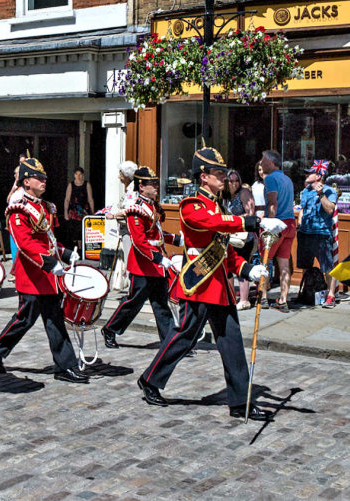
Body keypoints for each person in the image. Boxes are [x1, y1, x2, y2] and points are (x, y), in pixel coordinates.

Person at [136, 147, 284, 422]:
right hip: (200, 283)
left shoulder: (219, 206)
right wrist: (256, 222)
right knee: (185, 336)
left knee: (231, 343)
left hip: (219, 287)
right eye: (218, 173)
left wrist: (248, 269)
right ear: (204, 177)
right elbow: (214, 223)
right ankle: (150, 379)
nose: (223, 178)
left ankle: (241, 401)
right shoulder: (192, 205)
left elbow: (225, 251)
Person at [0, 156, 88, 383]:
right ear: (25, 182)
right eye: (38, 178)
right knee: (25, 318)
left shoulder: (46, 206)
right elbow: (25, 244)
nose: (44, 181)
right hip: (32, 274)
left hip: (50, 275)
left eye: (44, 178)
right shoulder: (18, 209)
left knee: (55, 319)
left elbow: (49, 240)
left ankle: (65, 366)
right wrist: (50, 263)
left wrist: (65, 253)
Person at [101, 167, 182, 349]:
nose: (155, 186)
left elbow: (156, 234)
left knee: (161, 304)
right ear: (141, 186)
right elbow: (139, 241)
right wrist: (158, 259)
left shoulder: (152, 205)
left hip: (155, 264)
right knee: (133, 303)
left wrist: (176, 239)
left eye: (155, 182)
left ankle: (169, 341)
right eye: (152, 183)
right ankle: (110, 329)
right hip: (142, 266)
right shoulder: (135, 208)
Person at [297, 160, 339, 308]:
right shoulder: (306, 191)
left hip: (321, 234)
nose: (306, 175)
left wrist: (321, 194)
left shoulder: (329, 191)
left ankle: (331, 295)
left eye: (310, 173)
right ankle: (306, 292)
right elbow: (303, 208)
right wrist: (300, 222)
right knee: (305, 266)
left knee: (327, 267)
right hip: (305, 233)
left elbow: (330, 210)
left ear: (319, 176)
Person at [259, 150, 296, 312]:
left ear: (272, 163)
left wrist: (270, 225)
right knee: (284, 264)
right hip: (290, 223)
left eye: (263, 160)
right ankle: (283, 299)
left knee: (265, 262)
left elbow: (272, 203)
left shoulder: (271, 179)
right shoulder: (287, 179)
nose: (261, 163)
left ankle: (264, 297)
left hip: (277, 223)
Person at [223, 169, 257, 310]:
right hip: (231, 235)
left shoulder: (243, 193)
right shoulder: (224, 195)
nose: (235, 183)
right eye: (231, 181)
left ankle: (244, 300)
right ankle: (231, 297)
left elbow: (250, 213)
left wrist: (233, 220)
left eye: (237, 180)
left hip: (244, 236)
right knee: (228, 267)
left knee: (242, 266)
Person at [106, 161, 139, 291]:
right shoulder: (129, 188)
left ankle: (133, 289)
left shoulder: (132, 189)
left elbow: (129, 210)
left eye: (120, 173)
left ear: (126, 175)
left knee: (130, 260)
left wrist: (114, 215)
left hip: (129, 230)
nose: (118, 177)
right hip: (126, 229)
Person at [63, 167, 94, 249]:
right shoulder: (71, 185)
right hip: (73, 213)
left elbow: (90, 199)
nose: (78, 176)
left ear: (83, 175)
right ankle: (74, 249)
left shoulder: (87, 184)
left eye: (80, 174)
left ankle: (81, 249)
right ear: (74, 175)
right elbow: (67, 199)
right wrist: (65, 213)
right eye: (76, 174)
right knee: (73, 232)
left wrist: (93, 213)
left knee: (83, 231)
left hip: (84, 212)